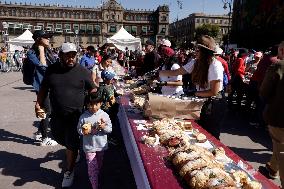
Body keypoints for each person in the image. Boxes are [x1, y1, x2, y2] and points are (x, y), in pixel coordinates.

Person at [35, 42, 96, 187]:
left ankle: (69, 171)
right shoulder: (52, 70)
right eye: (67, 55)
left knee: (71, 143)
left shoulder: (82, 71)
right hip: (57, 116)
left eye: (73, 55)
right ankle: (72, 151)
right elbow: (43, 88)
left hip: (75, 116)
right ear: (60, 56)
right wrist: (38, 103)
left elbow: (92, 89)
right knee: (58, 137)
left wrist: (96, 100)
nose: (71, 58)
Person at [159, 35, 225, 139]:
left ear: (204, 51)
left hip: (214, 103)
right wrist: (160, 73)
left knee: (211, 134)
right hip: (202, 100)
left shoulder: (215, 65)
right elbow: (177, 71)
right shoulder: (195, 62)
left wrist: (194, 93)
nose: (194, 51)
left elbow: (214, 91)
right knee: (198, 131)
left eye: (197, 49)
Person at [259, 41, 284, 188]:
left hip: (279, 117)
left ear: (281, 50)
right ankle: (272, 168)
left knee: (281, 147)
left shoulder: (278, 66)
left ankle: (275, 170)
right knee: (279, 144)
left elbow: (264, 92)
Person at [27, 30, 58, 146]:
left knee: (49, 110)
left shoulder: (47, 51)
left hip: (49, 84)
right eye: (46, 37)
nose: (48, 39)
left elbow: (54, 64)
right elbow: (44, 68)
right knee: (47, 111)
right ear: (39, 39)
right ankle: (45, 138)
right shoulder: (31, 53)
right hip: (41, 86)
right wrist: (40, 51)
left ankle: (40, 132)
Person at [77, 92, 112, 189]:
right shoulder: (84, 117)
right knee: (92, 166)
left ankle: (96, 176)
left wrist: (104, 126)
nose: (93, 107)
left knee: (99, 164)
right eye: (90, 104)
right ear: (87, 104)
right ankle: (94, 185)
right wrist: (83, 131)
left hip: (101, 146)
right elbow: (78, 130)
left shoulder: (104, 115)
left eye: (96, 104)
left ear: (100, 103)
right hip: (89, 146)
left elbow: (110, 130)